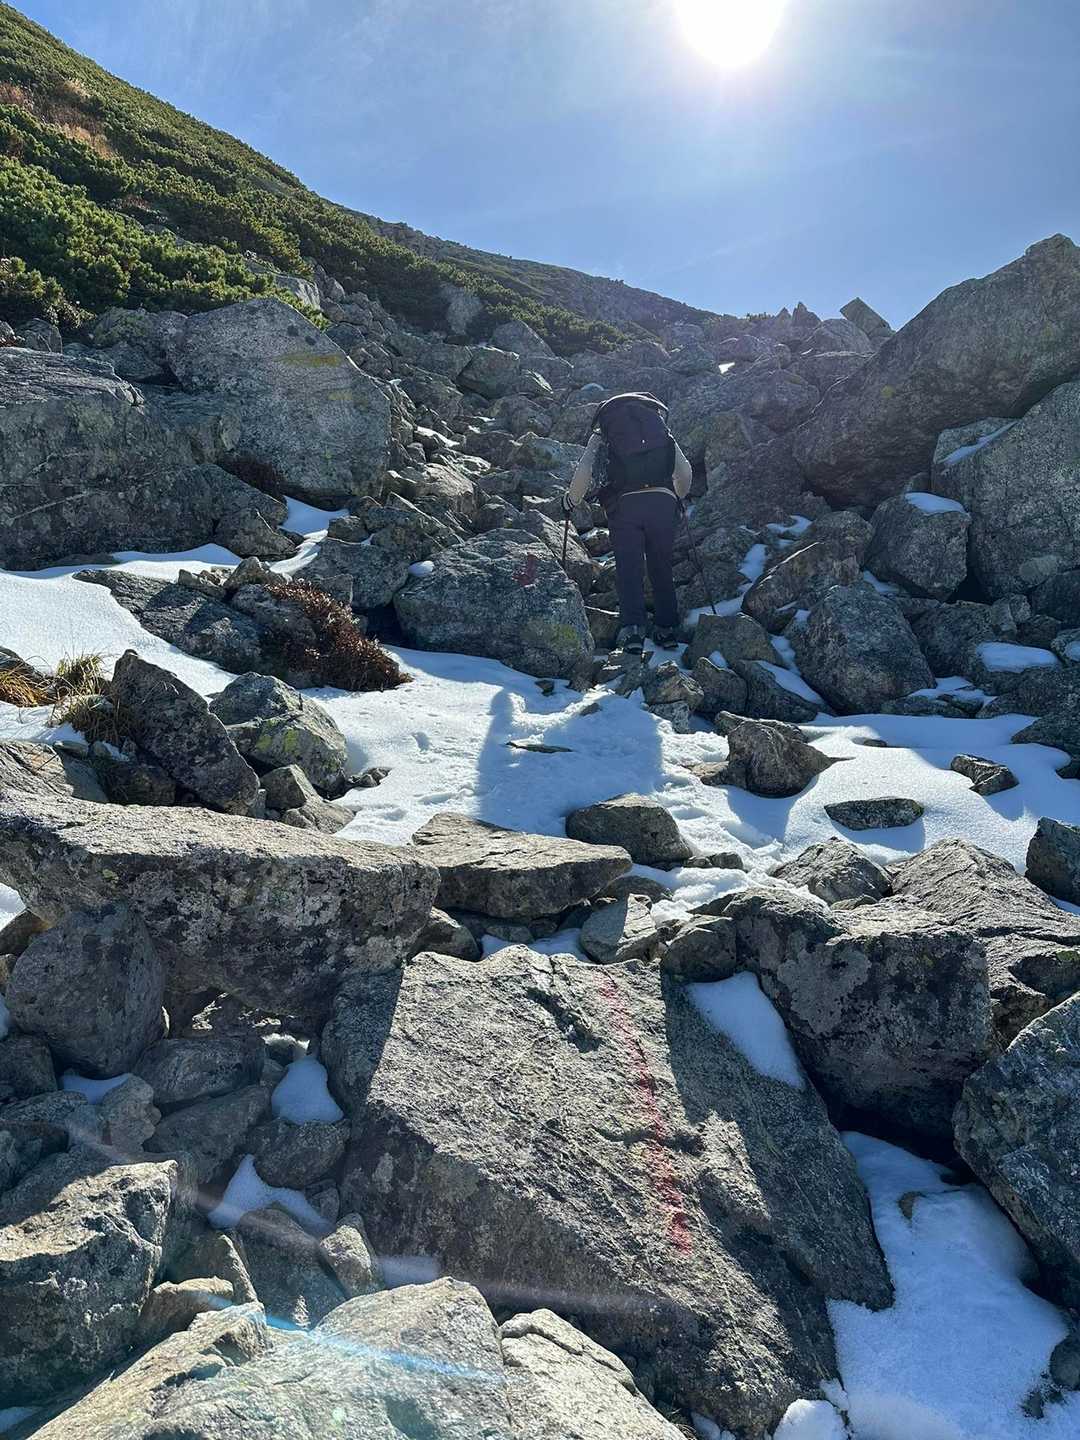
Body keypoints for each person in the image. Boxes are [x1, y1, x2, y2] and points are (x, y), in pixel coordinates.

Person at [562, 392, 692, 654]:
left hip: (625, 505)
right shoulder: (659, 428)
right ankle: (667, 629)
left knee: (628, 568)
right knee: (661, 566)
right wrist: (675, 496)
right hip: (662, 504)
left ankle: (633, 630)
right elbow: (684, 472)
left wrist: (570, 501)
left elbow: (585, 471)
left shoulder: (604, 432)